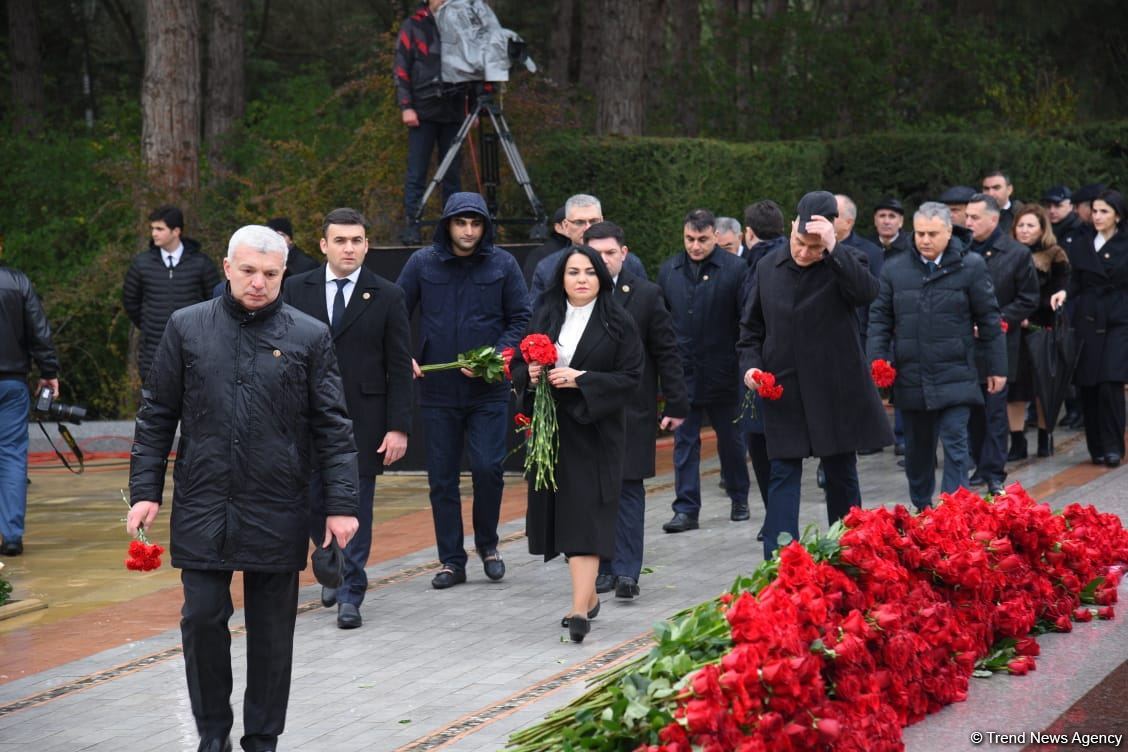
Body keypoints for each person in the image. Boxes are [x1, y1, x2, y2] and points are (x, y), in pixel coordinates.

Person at [126, 225, 359, 752]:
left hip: (278, 502)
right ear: (228, 268)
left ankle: (262, 738)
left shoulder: (308, 335)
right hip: (204, 500)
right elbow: (157, 413)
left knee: (273, 631)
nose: (258, 283)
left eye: (270, 274)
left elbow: (333, 427)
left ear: (283, 274)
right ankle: (213, 733)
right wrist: (146, 489)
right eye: (249, 271)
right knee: (203, 617)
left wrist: (342, 505)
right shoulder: (187, 327)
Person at [739, 191, 892, 560]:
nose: (804, 253)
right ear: (791, 226)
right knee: (782, 472)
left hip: (834, 389)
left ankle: (849, 552)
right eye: (799, 243)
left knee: (840, 472)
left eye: (814, 247)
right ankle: (779, 559)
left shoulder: (846, 260)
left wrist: (833, 249)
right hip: (783, 389)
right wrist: (751, 368)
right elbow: (750, 330)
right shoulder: (767, 266)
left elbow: (866, 292)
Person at [282, 208, 413, 629]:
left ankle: (351, 593)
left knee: (356, 506)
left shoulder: (388, 294)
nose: (349, 248)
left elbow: (398, 365)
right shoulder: (294, 289)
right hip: (305, 420)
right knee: (312, 502)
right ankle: (330, 563)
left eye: (357, 240)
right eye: (340, 240)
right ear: (324, 245)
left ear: (366, 245)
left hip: (364, 421)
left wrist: (398, 427)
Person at [509, 244, 643, 642]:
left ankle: (578, 608)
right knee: (565, 519)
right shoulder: (545, 315)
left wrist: (582, 378)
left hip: (597, 433)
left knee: (587, 517)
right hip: (553, 435)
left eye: (588, 271)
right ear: (561, 278)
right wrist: (528, 376)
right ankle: (586, 597)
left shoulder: (618, 322)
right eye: (573, 272)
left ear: (600, 277)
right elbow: (517, 365)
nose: (581, 279)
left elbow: (631, 378)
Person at [397, 192, 530, 589]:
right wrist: (404, 354)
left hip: (488, 388)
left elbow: (521, 317)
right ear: (447, 225)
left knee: (489, 468)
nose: (468, 231)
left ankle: (488, 545)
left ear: (485, 226)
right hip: (438, 389)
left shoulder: (503, 264)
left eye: (476, 223)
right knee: (442, 477)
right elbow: (394, 311)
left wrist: (496, 354)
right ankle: (452, 561)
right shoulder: (423, 263)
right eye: (461, 223)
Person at [867, 202, 1006, 511]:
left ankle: (952, 513)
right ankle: (922, 507)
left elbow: (989, 318)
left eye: (932, 233)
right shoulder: (895, 268)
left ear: (948, 231)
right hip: (911, 374)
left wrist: (997, 367)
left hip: (956, 373)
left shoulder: (970, 266)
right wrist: (877, 360)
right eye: (919, 234)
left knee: (956, 445)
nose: (925, 240)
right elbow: (879, 319)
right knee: (918, 451)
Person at [583, 222, 687, 600]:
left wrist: (676, 402)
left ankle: (627, 570)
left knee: (627, 488)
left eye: (610, 253)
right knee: (595, 490)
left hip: (631, 410)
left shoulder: (645, 295)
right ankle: (605, 566)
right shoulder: (574, 296)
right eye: (596, 254)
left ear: (624, 253)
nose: (603, 260)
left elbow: (666, 350)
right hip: (586, 411)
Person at [657, 209, 751, 533]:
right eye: (689, 239)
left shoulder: (736, 269)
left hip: (724, 369)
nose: (695, 246)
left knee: (731, 440)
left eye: (702, 240)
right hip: (683, 373)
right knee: (684, 442)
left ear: (714, 236)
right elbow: (662, 321)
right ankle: (686, 509)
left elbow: (746, 321)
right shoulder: (669, 270)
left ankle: (739, 496)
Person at [964, 194, 1039, 484]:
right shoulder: (962, 249)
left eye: (974, 217)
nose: (968, 222)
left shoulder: (1016, 253)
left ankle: (994, 470)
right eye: (967, 216)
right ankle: (980, 465)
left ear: (993, 220)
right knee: (974, 411)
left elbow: (1028, 298)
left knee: (995, 410)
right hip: (967, 343)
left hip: (999, 343)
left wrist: (995, 321)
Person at [395, 0, 469, 245]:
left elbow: (473, 67)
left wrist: (473, 109)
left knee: (452, 175)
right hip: (422, 109)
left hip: (454, 110)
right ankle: (412, 225)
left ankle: (455, 227)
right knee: (417, 172)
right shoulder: (413, 25)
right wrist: (407, 106)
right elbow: (401, 68)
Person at [0, 264, 59, 556]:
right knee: (11, 456)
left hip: (12, 381)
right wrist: (48, 370)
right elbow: (38, 328)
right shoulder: (17, 281)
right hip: (11, 381)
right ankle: (12, 535)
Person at [123, 205, 220, 380]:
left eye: (160, 229)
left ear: (176, 231)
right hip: (153, 351)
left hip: (193, 351)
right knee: (155, 404)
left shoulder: (201, 264)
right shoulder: (142, 264)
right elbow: (130, 302)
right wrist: (150, 325)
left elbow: (216, 303)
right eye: (152, 228)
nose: (154, 233)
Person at [738, 200, 787, 539]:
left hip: (758, 368)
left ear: (749, 233)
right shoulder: (788, 258)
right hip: (782, 367)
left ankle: (778, 520)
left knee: (764, 446)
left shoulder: (754, 265)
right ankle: (778, 519)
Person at [1069, 190, 1128, 466]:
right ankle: (1097, 447)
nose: (1097, 216)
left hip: (1118, 318)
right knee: (1089, 384)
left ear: (1117, 214)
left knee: (1110, 382)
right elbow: (1074, 282)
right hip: (1088, 319)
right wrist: (1064, 297)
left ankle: (1115, 445)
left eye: (1104, 211)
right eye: (1094, 211)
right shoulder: (1081, 242)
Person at [1009, 205, 1070, 457]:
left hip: (1042, 328)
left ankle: (1045, 437)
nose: (1024, 230)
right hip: (1014, 328)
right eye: (1020, 225)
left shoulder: (1055, 254)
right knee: (1016, 389)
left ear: (1042, 229)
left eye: (1030, 225)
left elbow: (1061, 289)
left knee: (1044, 386)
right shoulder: (1008, 254)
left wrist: (1036, 313)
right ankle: (1017, 441)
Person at [528, 194, 646, 308]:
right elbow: (535, 317)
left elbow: (646, 307)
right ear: (565, 226)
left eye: (594, 221)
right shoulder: (547, 268)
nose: (588, 228)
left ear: (602, 221)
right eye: (579, 222)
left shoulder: (629, 263)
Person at [522, 206, 569, 285]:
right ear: (559, 227)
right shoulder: (540, 255)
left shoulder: (590, 249)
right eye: (578, 222)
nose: (586, 227)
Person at [981, 170, 1023, 235]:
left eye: (996, 188)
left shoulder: (1021, 215)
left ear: (1009, 190)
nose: (990, 193)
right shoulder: (973, 214)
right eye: (986, 189)